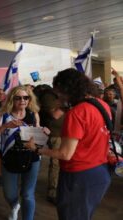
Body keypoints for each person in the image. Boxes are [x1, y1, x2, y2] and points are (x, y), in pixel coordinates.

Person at [24, 68, 112, 220]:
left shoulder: (77, 113)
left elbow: (65, 154)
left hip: (79, 176)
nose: (57, 95)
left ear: (68, 90)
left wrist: (37, 149)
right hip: (100, 172)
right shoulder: (101, 104)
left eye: (59, 91)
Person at [0, 85, 43, 220]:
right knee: (9, 193)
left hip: (32, 157)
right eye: (18, 98)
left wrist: (43, 132)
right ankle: (14, 205)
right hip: (10, 157)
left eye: (26, 97)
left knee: (28, 194)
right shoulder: (3, 115)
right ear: (12, 99)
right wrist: (6, 126)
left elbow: (38, 135)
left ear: (30, 99)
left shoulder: (33, 114)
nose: (22, 100)